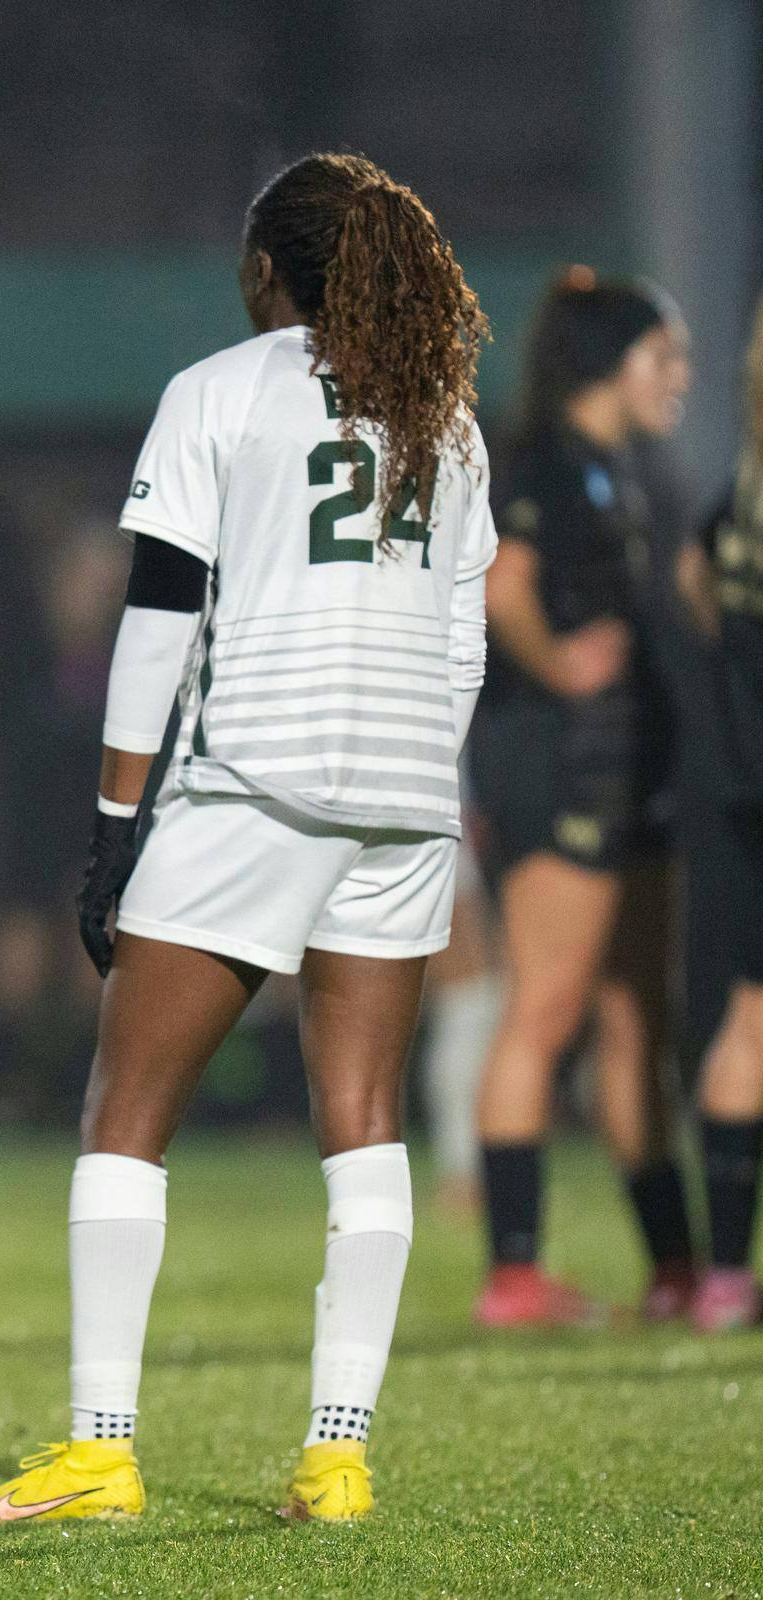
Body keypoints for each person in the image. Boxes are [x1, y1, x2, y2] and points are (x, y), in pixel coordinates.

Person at [0, 152, 494, 1526]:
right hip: (403, 795)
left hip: (254, 777)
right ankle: (336, 1455)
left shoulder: (221, 389)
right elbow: (462, 642)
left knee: (125, 1115)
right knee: (363, 1123)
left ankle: (102, 1450)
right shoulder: (444, 414)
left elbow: (158, 619)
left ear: (267, 272)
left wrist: (114, 821)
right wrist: (416, 772)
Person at [467, 272, 696, 1327]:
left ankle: (675, 1269)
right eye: (665, 357)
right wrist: (560, 666)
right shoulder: (546, 463)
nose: (681, 378)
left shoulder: (621, 471)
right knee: (546, 1005)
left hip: (628, 770)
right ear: (611, 361)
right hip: (555, 764)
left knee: (635, 1021)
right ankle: (513, 1274)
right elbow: (501, 586)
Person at [677, 292, 763, 1330]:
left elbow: (691, 583)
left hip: (742, 785)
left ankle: (725, 1278)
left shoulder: (735, 501)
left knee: (748, 1018)